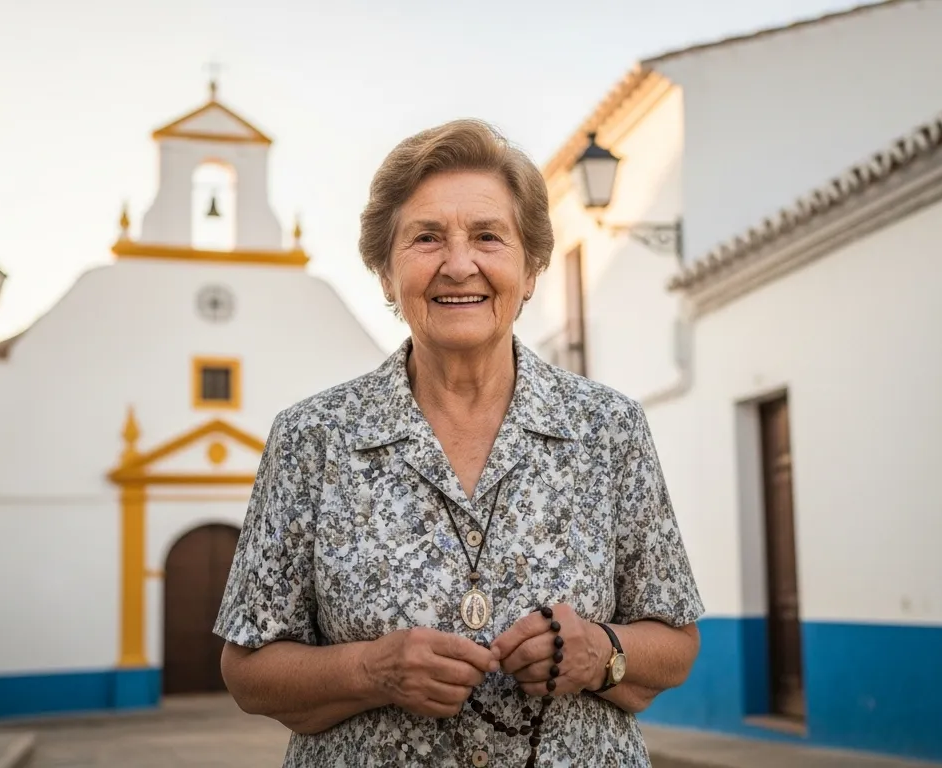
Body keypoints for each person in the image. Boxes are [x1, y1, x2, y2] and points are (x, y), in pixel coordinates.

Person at [213, 118, 704, 767]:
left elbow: (675, 638)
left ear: (529, 269)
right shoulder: (313, 437)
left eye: (487, 236)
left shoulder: (607, 427)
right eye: (426, 238)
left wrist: (599, 651)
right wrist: (371, 669)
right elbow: (248, 668)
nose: (459, 263)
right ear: (387, 275)